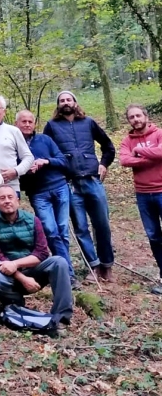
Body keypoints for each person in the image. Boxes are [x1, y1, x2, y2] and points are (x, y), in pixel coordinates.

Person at [44, 91, 116, 282]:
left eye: (69, 99)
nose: (65, 103)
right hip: (70, 184)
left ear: (75, 102)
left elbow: (108, 146)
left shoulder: (89, 122)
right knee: (81, 228)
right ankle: (93, 266)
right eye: (62, 100)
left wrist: (104, 164)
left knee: (102, 224)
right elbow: (46, 151)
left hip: (93, 180)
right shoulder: (51, 126)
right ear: (58, 105)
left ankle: (106, 266)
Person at [0, 185, 73, 332]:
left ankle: (61, 316)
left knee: (59, 262)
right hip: (9, 276)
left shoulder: (33, 220)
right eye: (2, 198)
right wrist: (22, 278)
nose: (7, 201)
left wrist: (15, 263)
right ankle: (16, 304)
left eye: (10, 197)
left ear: (18, 201)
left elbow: (42, 253)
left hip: (34, 271)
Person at [15, 110, 78, 288]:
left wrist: (46, 161)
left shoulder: (45, 139)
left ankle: (68, 274)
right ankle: (65, 271)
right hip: (38, 193)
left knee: (63, 230)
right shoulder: (14, 144)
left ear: (34, 123)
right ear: (16, 123)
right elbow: (13, 174)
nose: (27, 124)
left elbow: (63, 161)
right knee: (51, 231)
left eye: (30, 121)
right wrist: (25, 171)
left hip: (59, 187)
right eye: (23, 121)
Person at [120, 104, 162, 294]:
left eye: (138, 115)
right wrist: (150, 157)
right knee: (153, 236)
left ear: (145, 116)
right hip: (143, 194)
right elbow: (124, 160)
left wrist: (139, 151)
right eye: (132, 117)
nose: (135, 119)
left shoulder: (158, 133)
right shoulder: (127, 140)